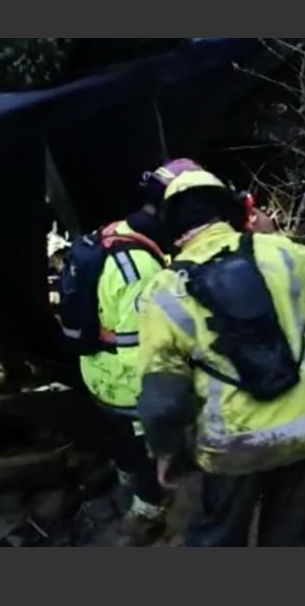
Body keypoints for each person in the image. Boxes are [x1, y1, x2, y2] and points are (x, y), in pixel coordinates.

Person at [136, 169, 305, 547]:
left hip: (234, 445)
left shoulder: (163, 291)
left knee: (218, 538)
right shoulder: (278, 253)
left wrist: (166, 452)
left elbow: (164, 395)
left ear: (173, 227)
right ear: (228, 210)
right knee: (292, 538)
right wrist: (272, 238)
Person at [62, 158, 201, 546]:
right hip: (125, 383)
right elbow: (138, 352)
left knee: (121, 440)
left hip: (96, 372)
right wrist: (155, 418)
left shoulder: (113, 233)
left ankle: (127, 478)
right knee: (145, 446)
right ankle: (148, 510)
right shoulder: (139, 268)